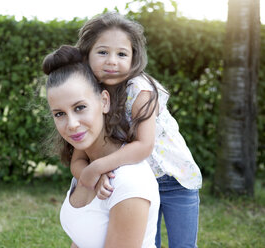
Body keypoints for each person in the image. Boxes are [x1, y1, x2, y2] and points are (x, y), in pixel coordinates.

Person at [70, 12, 203, 248]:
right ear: (86, 54)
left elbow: (144, 146)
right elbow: (79, 156)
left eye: (121, 54)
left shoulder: (140, 91)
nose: (112, 61)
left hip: (174, 180)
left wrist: (99, 166)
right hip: (137, 182)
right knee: (146, 242)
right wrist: (90, 174)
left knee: (183, 245)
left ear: (133, 58)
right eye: (102, 52)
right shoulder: (89, 93)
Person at [42, 45, 160, 248]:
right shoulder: (86, 165)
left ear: (104, 101)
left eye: (80, 108)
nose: (71, 124)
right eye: (59, 114)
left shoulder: (128, 182)